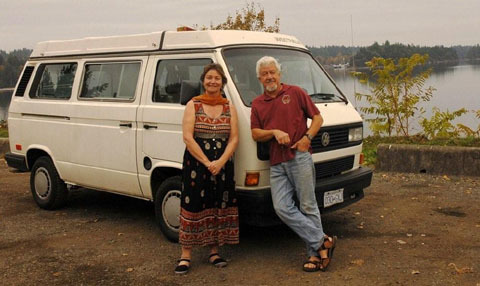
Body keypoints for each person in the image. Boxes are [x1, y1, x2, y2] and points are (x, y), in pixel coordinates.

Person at [250, 56, 337, 272]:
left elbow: (317, 118)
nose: (269, 76)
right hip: (277, 162)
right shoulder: (258, 103)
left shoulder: (296, 92)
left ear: (279, 74)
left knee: (308, 205)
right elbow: (255, 133)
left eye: (272, 72)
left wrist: (307, 138)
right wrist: (273, 132)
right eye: (265, 74)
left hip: (299, 157)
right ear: (259, 78)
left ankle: (314, 255)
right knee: (281, 207)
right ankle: (322, 240)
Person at [175, 63, 240, 274]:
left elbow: (234, 138)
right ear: (203, 81)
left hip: (222, 164)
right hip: (196, 164)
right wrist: (207, 162)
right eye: (209, 77)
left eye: (217, 78)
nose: (213, 81)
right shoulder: (193, 105)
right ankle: (186, 255)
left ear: (223, 82)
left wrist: (220, 162)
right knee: (192, 204)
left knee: (217, 204)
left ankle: (214, 251)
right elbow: (187, 137)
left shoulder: (229, 107)